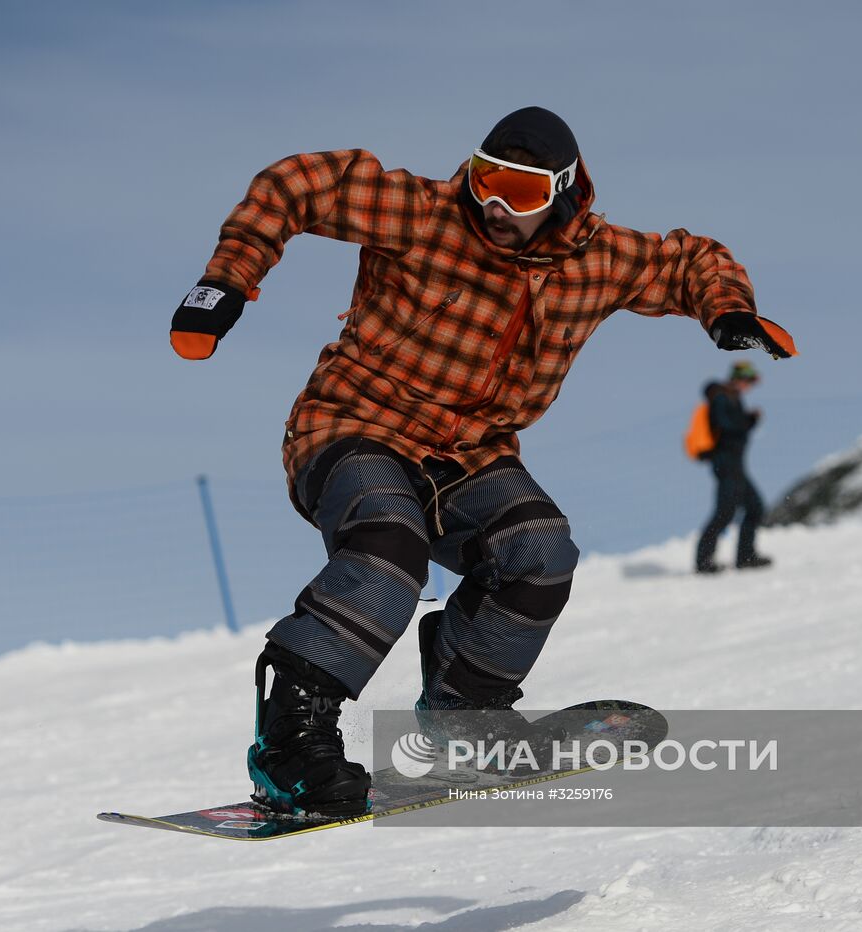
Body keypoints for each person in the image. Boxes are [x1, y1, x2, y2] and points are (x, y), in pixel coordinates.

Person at [170, 106, 795, 817]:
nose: (495, 205)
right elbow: (297, 183)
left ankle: (466, 715)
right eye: (486, 179)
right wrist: (227, 279)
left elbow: (691, 260)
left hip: (470, 452)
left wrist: (727, 309)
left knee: (539, 551)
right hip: (353, 424)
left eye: (521, 193)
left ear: (562, 192)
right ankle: (290, 740)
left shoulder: (597, 259)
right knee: (388, 547)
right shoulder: (422, 214)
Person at [694, 360, 772, 574]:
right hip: (726, 464)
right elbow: (726, 426)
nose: (750, 386)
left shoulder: (732, 397)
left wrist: (747, 420)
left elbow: (733, 426)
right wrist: (749, 421)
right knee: (725, 512)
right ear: (740, 379)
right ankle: (704, 562)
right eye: (749, 381)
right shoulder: (721, 398)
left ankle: (745, 557)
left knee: (754, 507)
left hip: (736, 465)